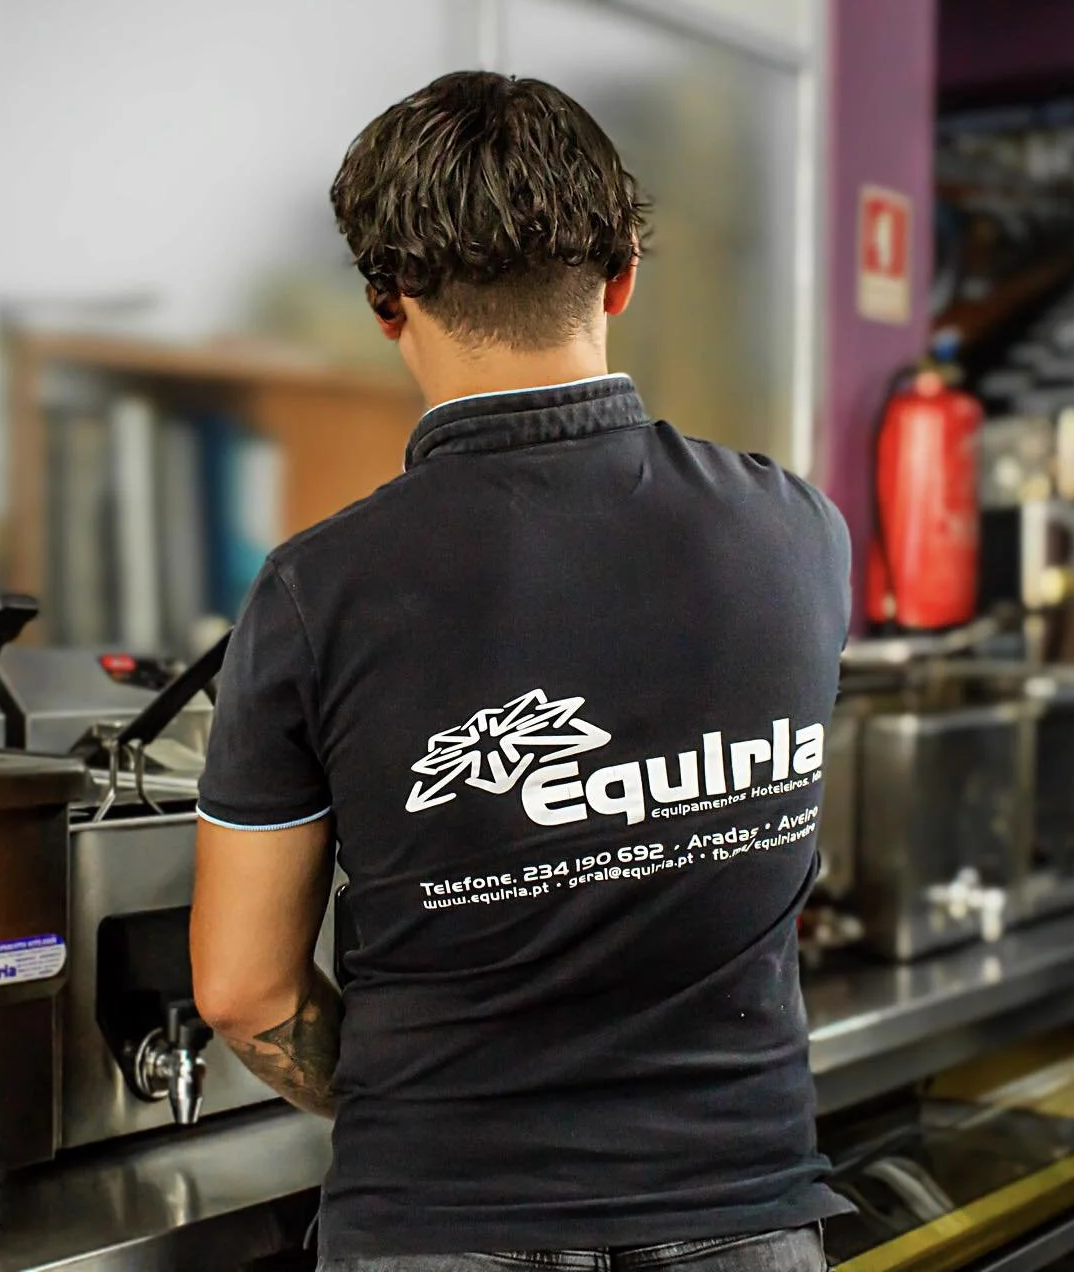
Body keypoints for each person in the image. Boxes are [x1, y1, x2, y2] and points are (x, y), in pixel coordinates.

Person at [191, 71, 852, 1272]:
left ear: (387, 306)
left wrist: (416, 1110)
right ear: (619, 279)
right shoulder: (797, 530)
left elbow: (240, 988)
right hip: (743, 1213)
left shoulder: (315, 590)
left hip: (443, 1220)